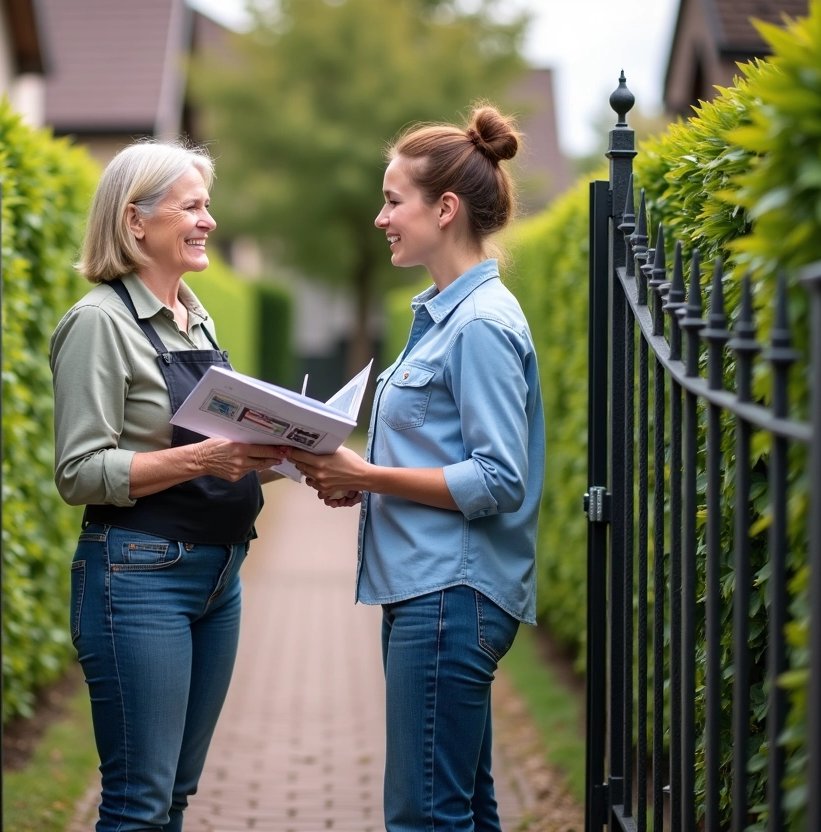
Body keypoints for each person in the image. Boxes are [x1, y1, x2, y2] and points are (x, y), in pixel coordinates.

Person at [286, 104, 544, 832]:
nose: (380, 218)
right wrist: (360, 480)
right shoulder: (443, 313)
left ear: (447, 208)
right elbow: (437, 456)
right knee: (462, 809)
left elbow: (497, 479)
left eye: (393, 200)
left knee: (426, 817)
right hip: (431, 592)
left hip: (450, 596)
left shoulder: (483, 326)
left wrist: (365, 477)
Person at [50, 140, 284, 832]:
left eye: (206, 204)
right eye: (192, 206)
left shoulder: (196, 314)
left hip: (220, 577)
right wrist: (202, 462)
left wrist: (292, 455)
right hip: (139, 576)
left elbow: (216, 444)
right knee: (138, 803)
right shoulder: (99, 323)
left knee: (176, 794)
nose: (209, 219)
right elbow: (79, 472)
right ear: (135, 222)